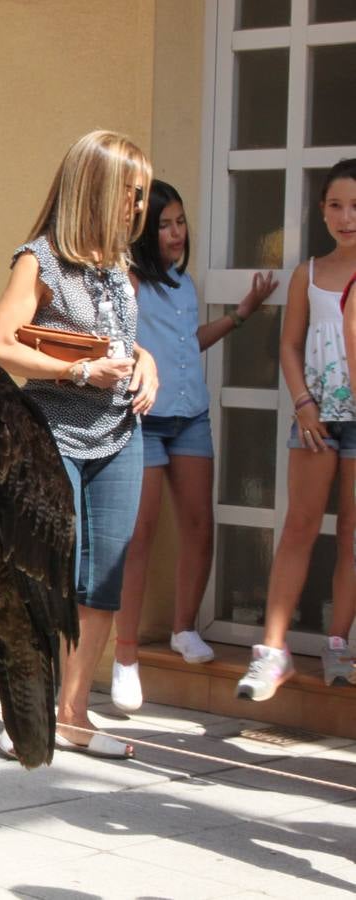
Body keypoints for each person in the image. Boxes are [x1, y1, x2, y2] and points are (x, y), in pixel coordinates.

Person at [0, 130, 157, 760]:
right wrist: (78, 373)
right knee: (47, 576)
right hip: (50, 433)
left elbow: (116, 340)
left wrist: (147, 363)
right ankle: (27, 711)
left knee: (102, 580)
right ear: (96, 188)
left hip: (118, 435)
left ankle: (74, 713)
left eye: (141, 195)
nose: (138, 206)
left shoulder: (118, 266)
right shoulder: (40, 259)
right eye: (130, 193)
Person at [110, 180, 279, 711]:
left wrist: (243, 313)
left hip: (191, 419)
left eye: (181, 222)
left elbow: (188, 343)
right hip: (145, 419)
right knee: (140, 537)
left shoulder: (184, 285)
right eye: (165, 225)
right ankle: (126, 657)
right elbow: (119, 344)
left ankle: (185, 629)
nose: (177, 233)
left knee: (199, 525)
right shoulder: (131, 284)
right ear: (144, 233)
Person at [238, 159, 356, 700]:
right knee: (299, 528)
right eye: (335, 205)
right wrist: (304, 403)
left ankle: (337, 644)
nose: (346, 216)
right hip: (316, 419)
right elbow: (288, 344)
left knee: (352, 536)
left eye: (354, 206)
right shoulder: (308, 272)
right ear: (321, 209)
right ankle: (273, 652)